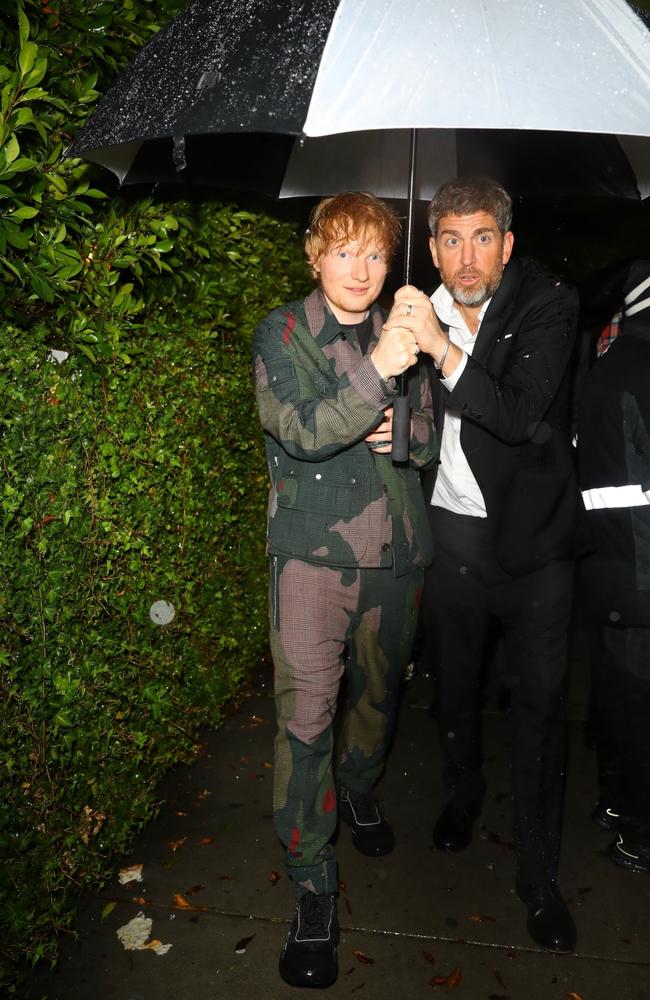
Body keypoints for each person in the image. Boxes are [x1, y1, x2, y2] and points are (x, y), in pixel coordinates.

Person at [383, 176, 580, 953]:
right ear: (433, 248)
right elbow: (386, 408)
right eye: (451, 240)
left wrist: (442, 347)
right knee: (454, 691)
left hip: (534, 550)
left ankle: (539, 874)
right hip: (452, 538)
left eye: (482, 238)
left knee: (539, 711)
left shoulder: (549, 303)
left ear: (508, 243)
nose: (467, 258)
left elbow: (519, 413)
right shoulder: (409, 308)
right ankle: (461, 798)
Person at [252, 191, 436, 989]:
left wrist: (410, 430)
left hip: (396, 557)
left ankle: (359, 789)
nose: (360, 270)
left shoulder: (408, 327)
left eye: (374, 253)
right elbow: (298, 429)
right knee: (305, 720)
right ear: (315, 255)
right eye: (344, 251)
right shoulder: (283, 332)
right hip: (310, 564)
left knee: (378, 699)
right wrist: (379, 373)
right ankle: (313, 888)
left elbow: (428, 433)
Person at [577, 258, 650, 875]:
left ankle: (616, 806)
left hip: (607, 574)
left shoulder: (607, 369)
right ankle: (640, 832)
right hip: (643, 574)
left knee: (619, 702)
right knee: (639, 712)